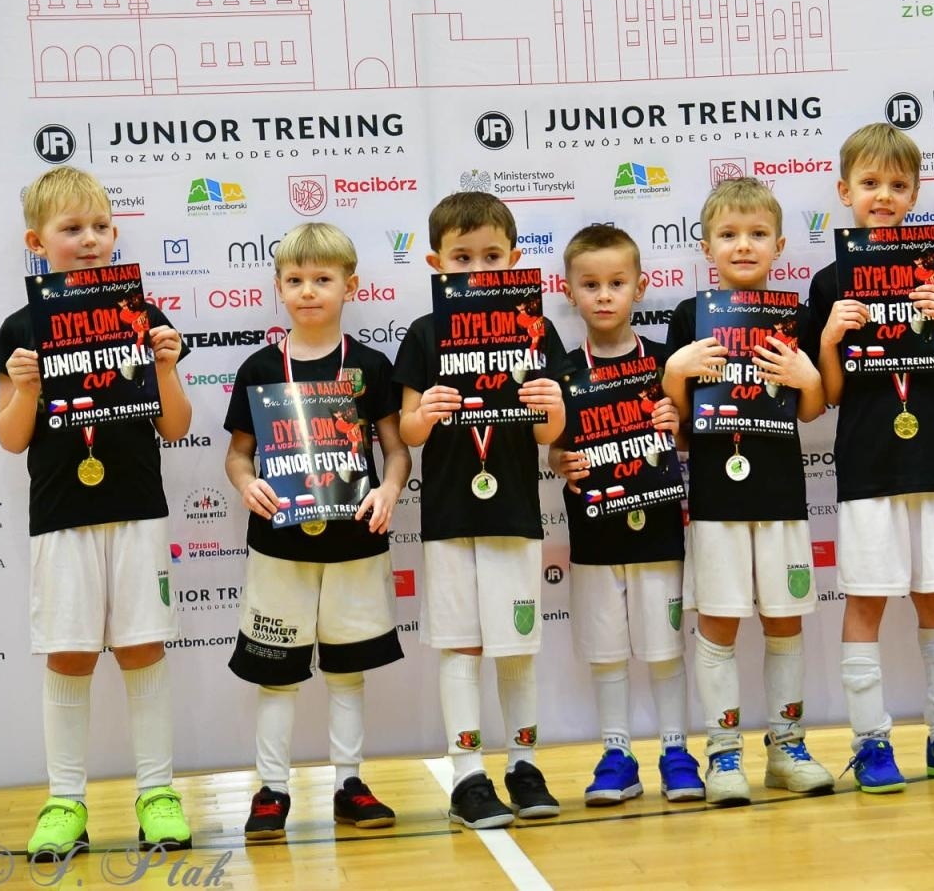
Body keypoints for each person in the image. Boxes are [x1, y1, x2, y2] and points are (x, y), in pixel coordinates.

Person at [0, 166, 194, 860]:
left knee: (143, 646)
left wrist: (165, 366)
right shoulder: (21, 326)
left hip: (137, 508)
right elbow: (11, 437)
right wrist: (25, 388)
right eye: (71, 229)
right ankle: (65, 802)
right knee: (70, 655)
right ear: (36, 242)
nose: (89, 240)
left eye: (100, 227)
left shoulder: (144, 314)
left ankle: (158, 793)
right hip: (61, 514)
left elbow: (175, 426)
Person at [802, 122, 934, 793]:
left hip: (933, 465)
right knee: (864, 605)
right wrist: (828, 339)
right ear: (844, 191)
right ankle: (870, 743)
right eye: (869, 184)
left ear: (915, 193)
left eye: (896, 185)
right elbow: (825, 396)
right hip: (866, 469)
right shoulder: (830, 281)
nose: (882, 195)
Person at [224, 223, 411, 838]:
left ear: (349, 286)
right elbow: (238, 455)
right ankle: (271, 789)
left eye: (323, 279)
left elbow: (396, 449)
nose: (309, 291)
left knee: (346, 670)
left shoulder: (370, 365)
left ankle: (348, 783)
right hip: (279, 543)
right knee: (276, 673)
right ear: (278, 287)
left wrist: (388, 490)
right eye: (296, 280)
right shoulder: (258, 368)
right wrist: (245, 483)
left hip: (355, 539)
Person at [394, 192, 569, 827]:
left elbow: (551, 433)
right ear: (437, 264)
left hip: (516, 512)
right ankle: (467, 775)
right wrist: (425, 412)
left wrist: (552, 402)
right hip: (447, 518)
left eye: (492, 256)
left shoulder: (537, 330)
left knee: (516, 644)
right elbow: (409, 434)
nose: (477, 268)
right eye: (462, 258)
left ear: (515, 261)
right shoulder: (425, 333)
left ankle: (524, 765)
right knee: (460, 647)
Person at [663, 177, 832, 806]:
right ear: (707, 245)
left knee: (784, 620)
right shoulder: (692, 315)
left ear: (780, 244)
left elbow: (812, 409)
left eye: (757, 235)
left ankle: (787, 747)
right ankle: (724, 753)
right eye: (729, 235)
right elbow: (677, 424)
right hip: (716, 499)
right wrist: (675, 374)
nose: (743, 246)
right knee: (721, 623)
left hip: (782, 494)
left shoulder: (794, 316)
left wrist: (806, 374)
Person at [546, 224, 704, 806]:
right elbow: (553, 445)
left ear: (640, 286)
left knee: (665, 647)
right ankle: (617, 753)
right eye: (591, 285)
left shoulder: (667, 364)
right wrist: (559, 459)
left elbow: (692, 439)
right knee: (607, 648)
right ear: (570, 291)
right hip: (593, 534)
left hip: (660, 529)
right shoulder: (561, 373)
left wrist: (676, 426)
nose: (604, 295)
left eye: (617, 283)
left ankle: (675, 749)